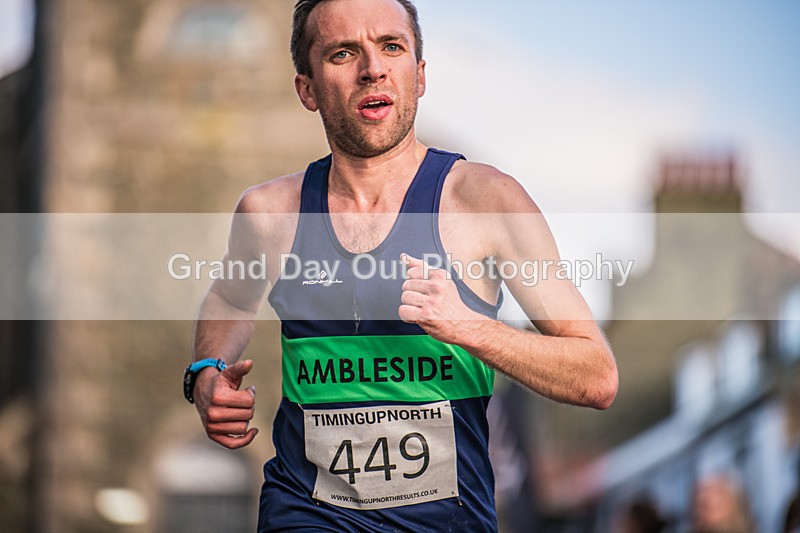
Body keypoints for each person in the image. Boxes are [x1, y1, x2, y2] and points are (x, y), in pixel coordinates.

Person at [183, 0, 618, 530]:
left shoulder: (486, 201)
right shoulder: (269, 213)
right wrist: (205, 373)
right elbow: (230, 298)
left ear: (420, 74)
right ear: (307, 89)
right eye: (343, 53)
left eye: (392, 46)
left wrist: (469, 327)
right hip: (305, 512)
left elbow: (596, 376)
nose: (373, 69)